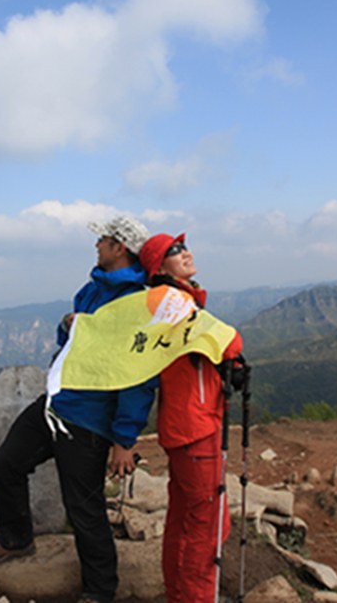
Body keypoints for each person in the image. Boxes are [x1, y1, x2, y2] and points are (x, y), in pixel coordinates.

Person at [0, 215, 158, 603]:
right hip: (57, 403)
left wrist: (124, 439)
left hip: (89, 420)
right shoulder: (92, 289)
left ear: (119, 247)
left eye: (102, 239)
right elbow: (72, 343)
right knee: (6, 464)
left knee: (84, 509)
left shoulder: (135, 303)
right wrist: (66, 324)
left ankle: (100, 591)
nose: (96, 245)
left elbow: (138, 378)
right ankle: (17, 538)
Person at [137, 232, 244, 603]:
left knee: (186, 519)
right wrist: (228, 355)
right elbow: (229, 341)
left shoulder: (175, 299)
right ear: (158, 266)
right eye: (174, 250)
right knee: (207, 524)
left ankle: (181, 594)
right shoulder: (167, 300)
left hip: (192, 422)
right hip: (194, 425)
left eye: (184, 246)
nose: (185, 253)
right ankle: (196, 598)